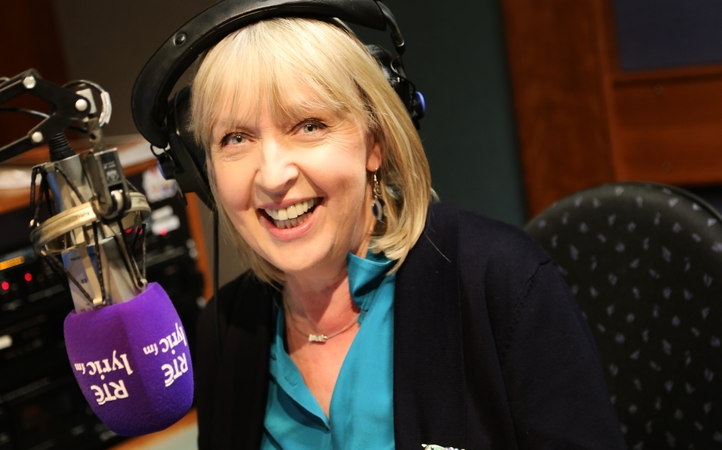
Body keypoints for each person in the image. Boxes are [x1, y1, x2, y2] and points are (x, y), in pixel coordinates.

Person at [185, 12, 626, 450]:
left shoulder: (500, 280)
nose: (272, 176)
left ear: (374, 144)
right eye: (236, 138)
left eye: (309, 126)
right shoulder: (224, 329)